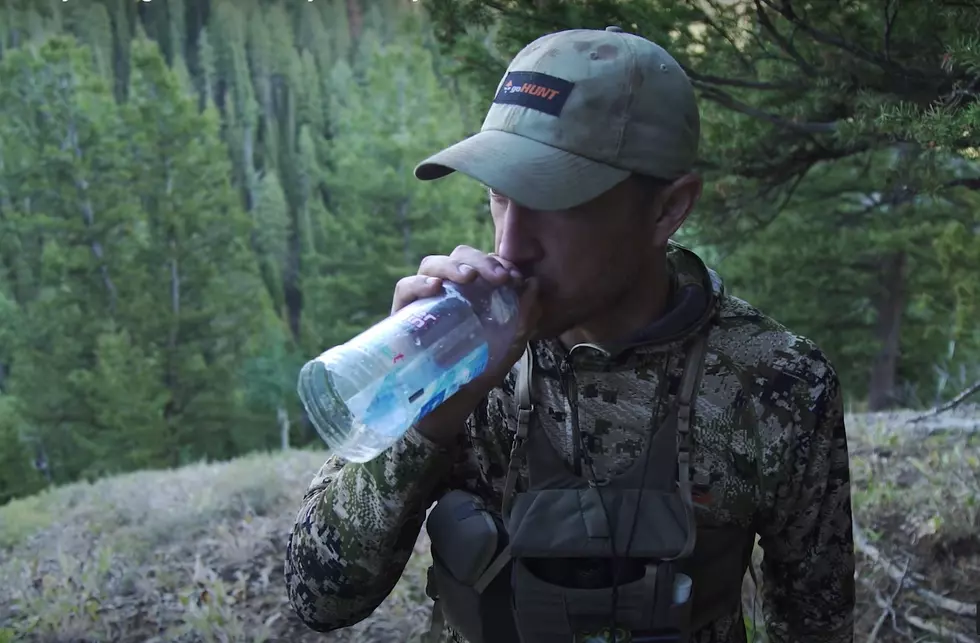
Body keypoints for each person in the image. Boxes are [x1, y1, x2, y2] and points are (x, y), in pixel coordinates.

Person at [285, 25, 855, 643]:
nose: (510, 246)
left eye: (555, 202)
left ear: (668, 209)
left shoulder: (777, 384)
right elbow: (320, 599)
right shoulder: (457, 350)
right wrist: (423, 411)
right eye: (499, 198)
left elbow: (816, 624)